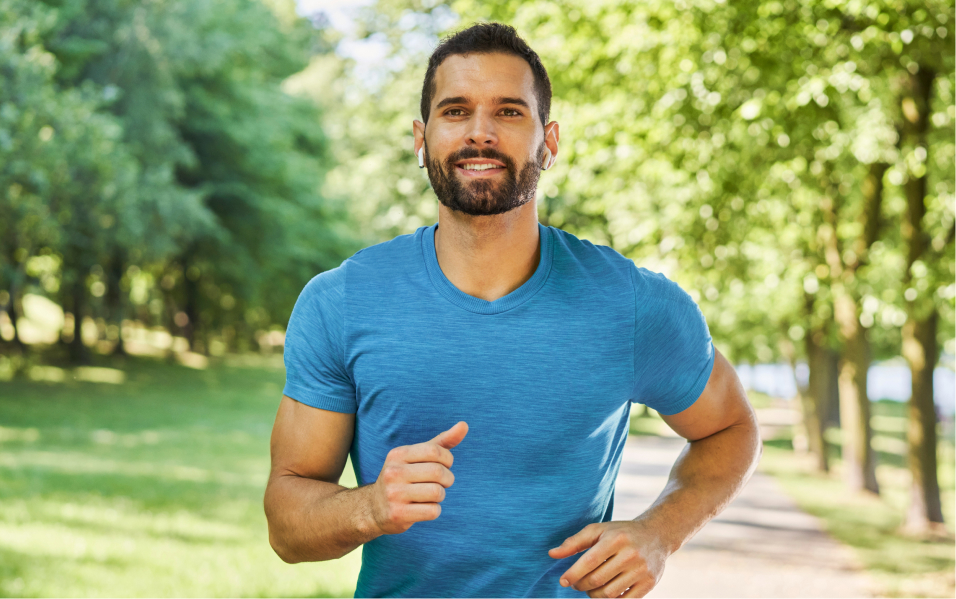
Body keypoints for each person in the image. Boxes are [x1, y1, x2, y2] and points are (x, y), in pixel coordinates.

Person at [264, 22, 762, 599]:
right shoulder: (341, 301)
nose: (480, 133)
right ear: (421, 141)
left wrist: (660, 532)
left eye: (508, 112)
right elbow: (286, 523)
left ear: (548, 143)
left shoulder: (631, 304)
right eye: (455, 111)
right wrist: (371, 506)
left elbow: (730, 427)